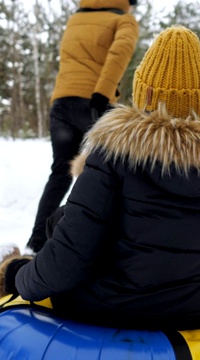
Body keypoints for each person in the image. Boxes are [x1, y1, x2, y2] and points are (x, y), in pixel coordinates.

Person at [0, 26, 200, 331]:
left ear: (144, 93)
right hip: (193, 312)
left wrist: (15, 277)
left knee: (65, 224)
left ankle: (22, 261)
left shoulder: (114, 156)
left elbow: (69, 261)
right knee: (68, 219)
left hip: (106, 309)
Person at [26, 0, 140, 254]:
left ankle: (36, 243)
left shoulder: (76, 18)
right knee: (110, 176)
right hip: (95, 102)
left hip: (62, 102)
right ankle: (103, 247)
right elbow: (119, 53)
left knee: (60, 173)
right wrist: (103, 93)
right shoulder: (124, 20)